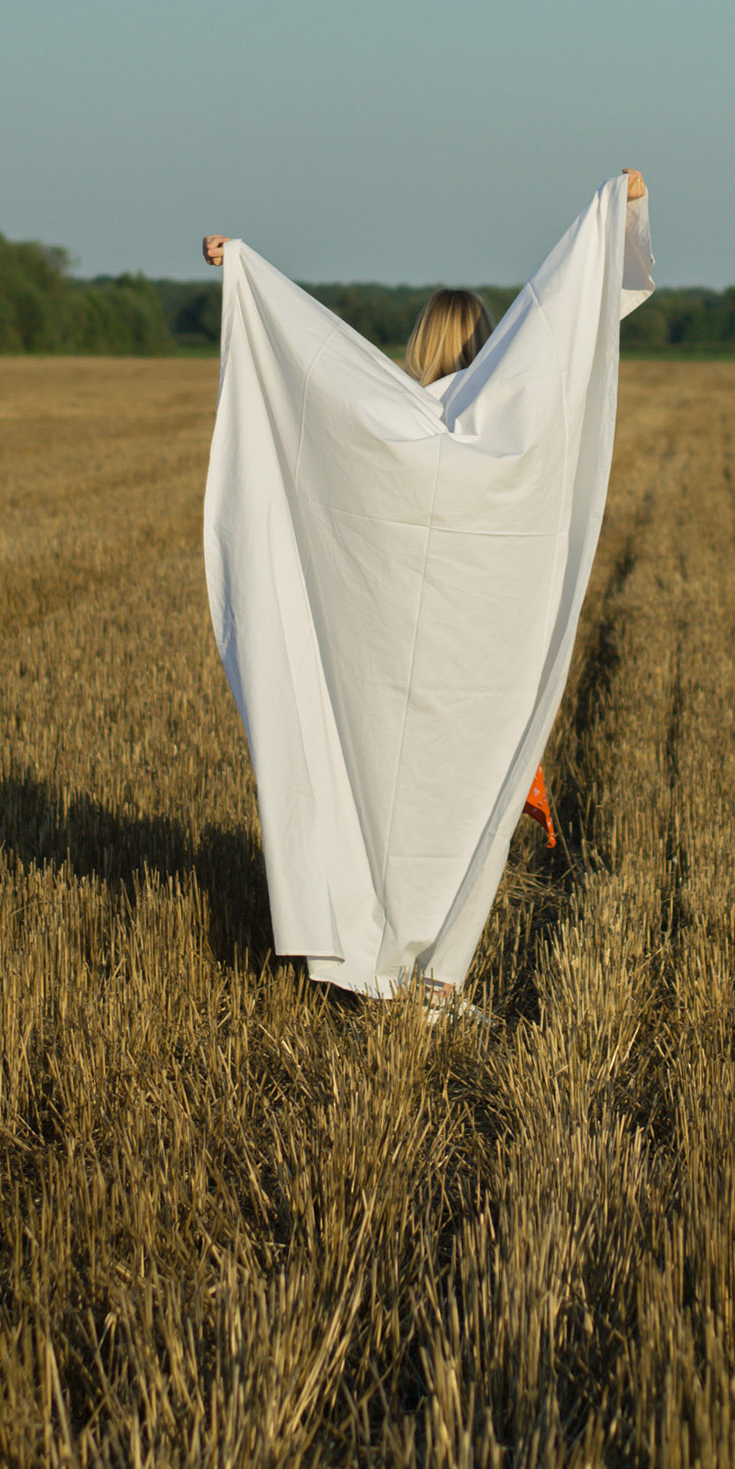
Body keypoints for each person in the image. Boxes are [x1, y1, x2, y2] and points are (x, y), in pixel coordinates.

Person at [202, 170, 652, 1009]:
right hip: (478, 656)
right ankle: (438, 970)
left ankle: (366, 937)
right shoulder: (513, 414)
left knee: (374, 782)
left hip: (376, 660)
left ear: (420, 341)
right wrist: (615, 215)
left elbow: (309, 363)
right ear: (490, 338)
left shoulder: (384, 420)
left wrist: (243, 275)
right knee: (458, 793)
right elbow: (575, 324)